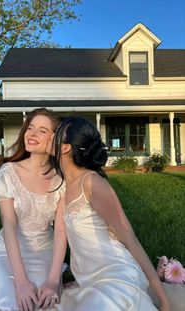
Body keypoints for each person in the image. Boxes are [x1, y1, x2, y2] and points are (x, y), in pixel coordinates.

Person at [39, 116, 170, 311]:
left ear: (66, 148)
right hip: (89, 280)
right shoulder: (65, 188)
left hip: (115, 274)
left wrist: (163, 300)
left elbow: (129, 237)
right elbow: (60, 235)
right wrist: (52, 280)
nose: (50, 135)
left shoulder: (92, 183)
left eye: (56, 133)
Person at [0, 108, 66, 311]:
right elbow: (9, 226)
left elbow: (60, 230)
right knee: (12, 305)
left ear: (54, 138)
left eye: (42, 130)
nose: (32, 134)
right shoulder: (7, 175)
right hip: (7, 252)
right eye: (30, 128)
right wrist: (21, 282)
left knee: (48, 303)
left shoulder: (62, 179)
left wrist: (53, 279)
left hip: (46, 251)